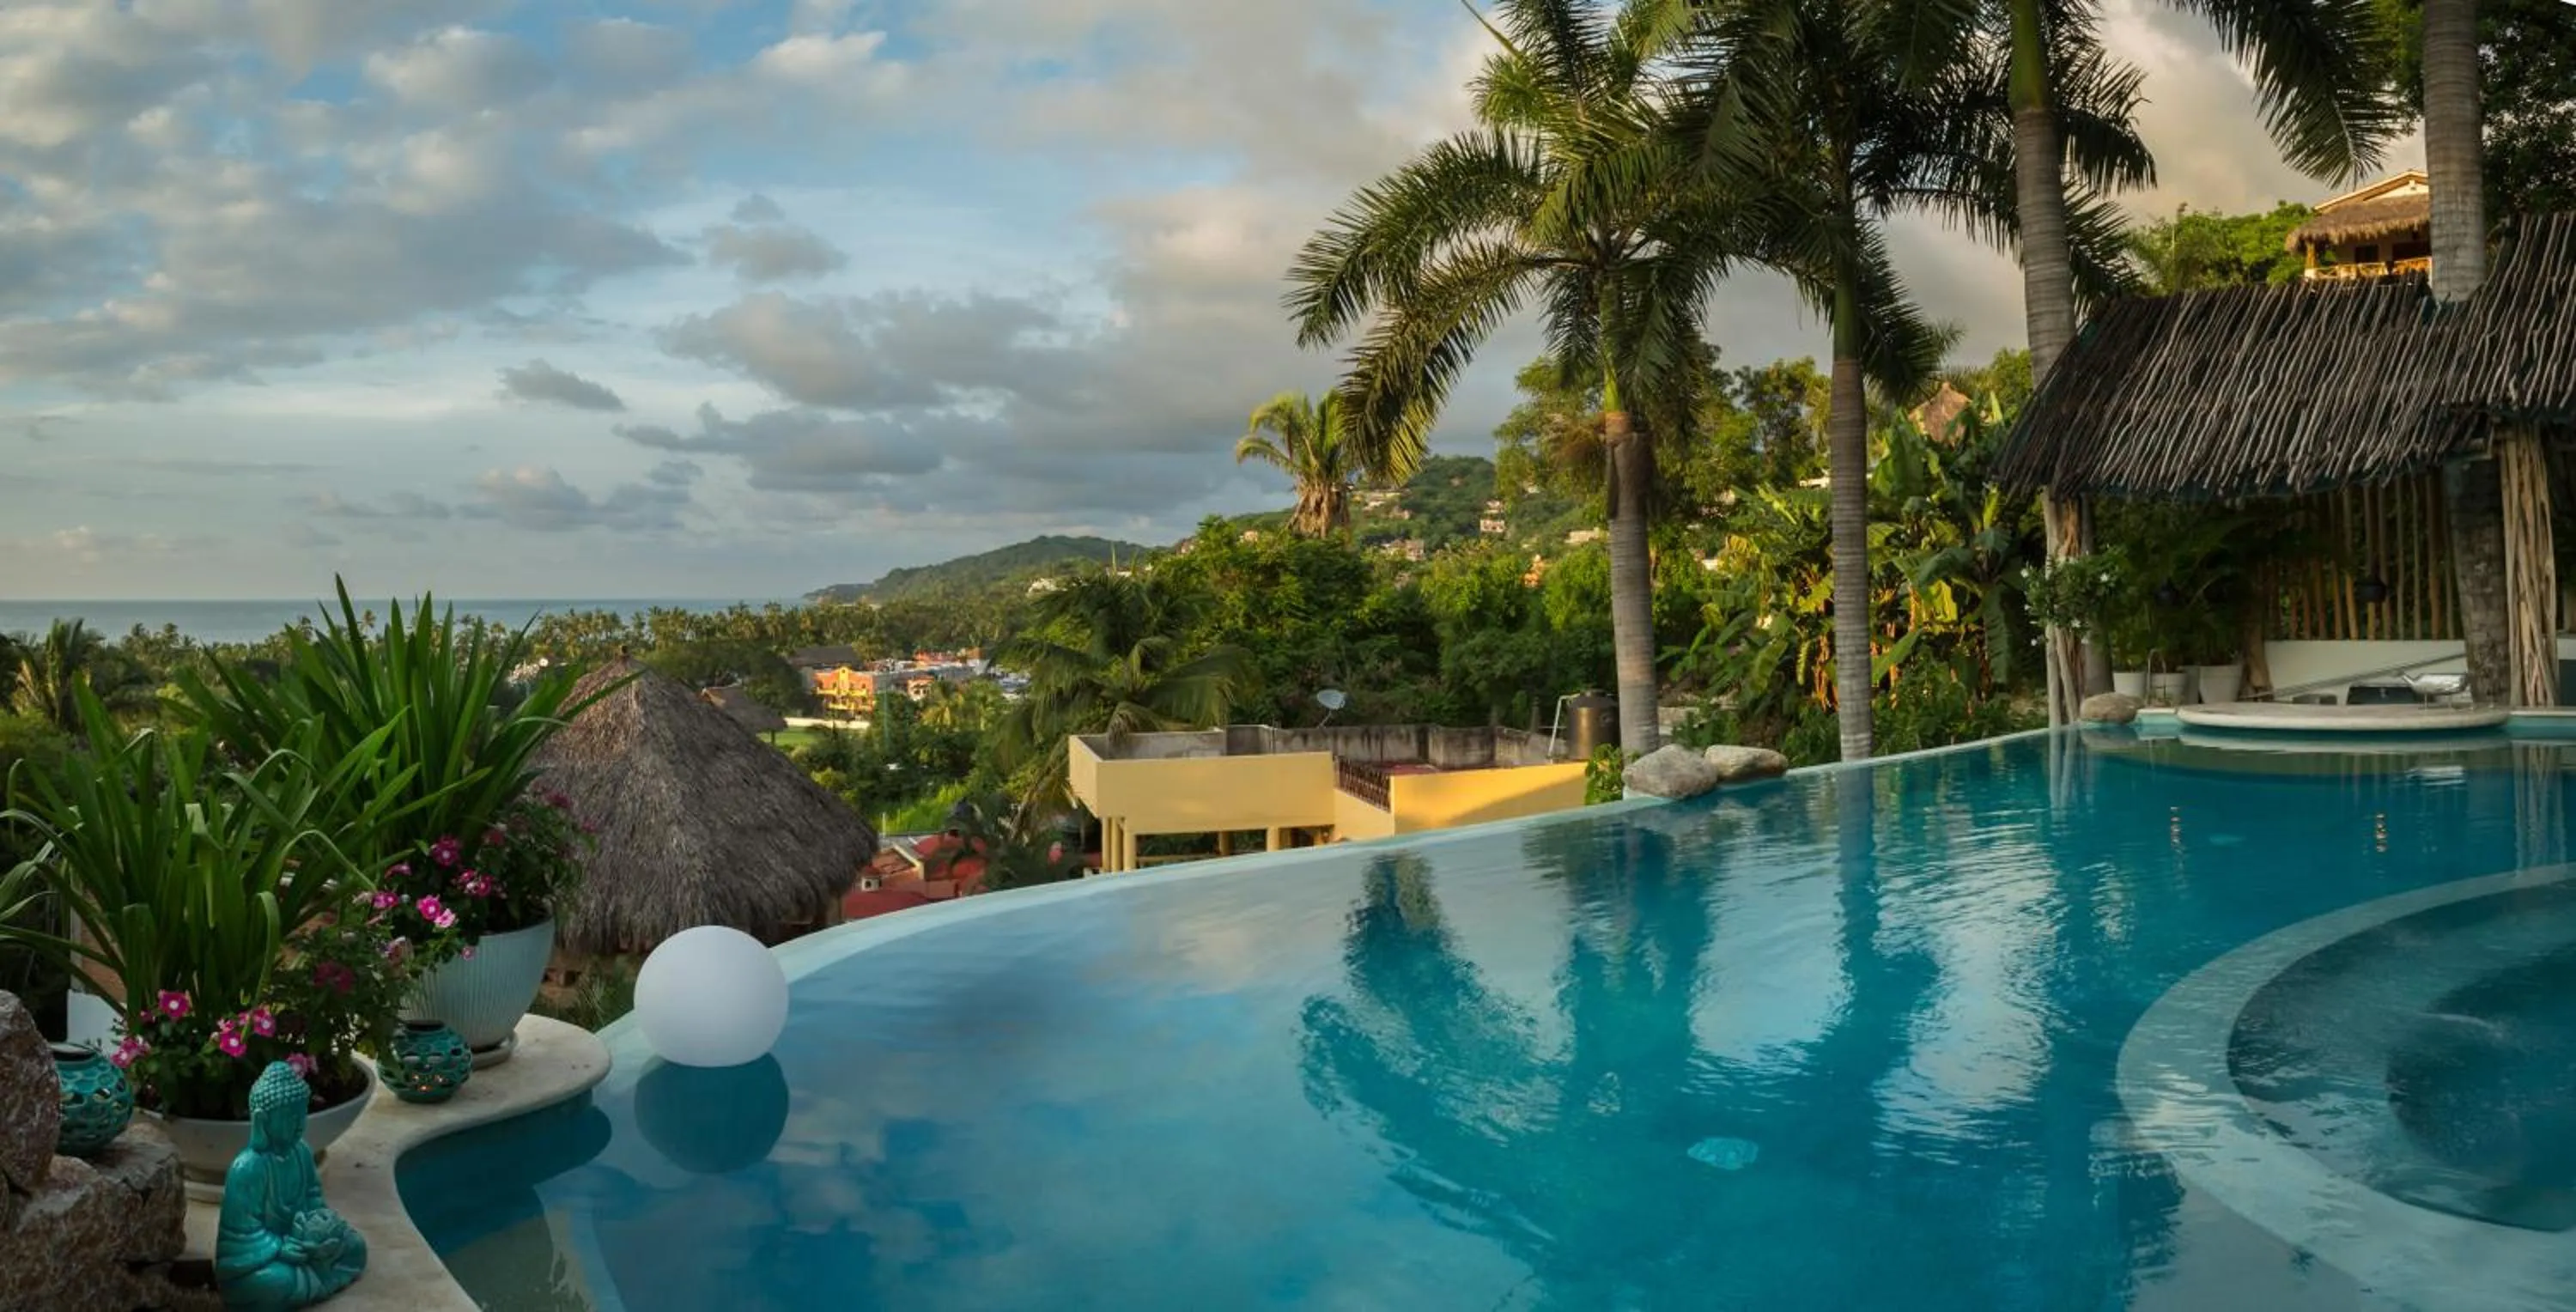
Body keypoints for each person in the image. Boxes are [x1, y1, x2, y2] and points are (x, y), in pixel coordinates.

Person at [215, 1061, 368, 1309]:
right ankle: (319, 1279)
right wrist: (279, 1248)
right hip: (262, 1258)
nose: (299, 1125)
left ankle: (313, 1281)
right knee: (276, 1280)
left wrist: (321, 1231)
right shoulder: (248, 1167)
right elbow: (240, 1235)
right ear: (263, 1120)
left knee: (355, 1246)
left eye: (302, 1115)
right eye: (290, 1117)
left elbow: (313, 1196)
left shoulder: (302, 1151)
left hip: (303, 1244)